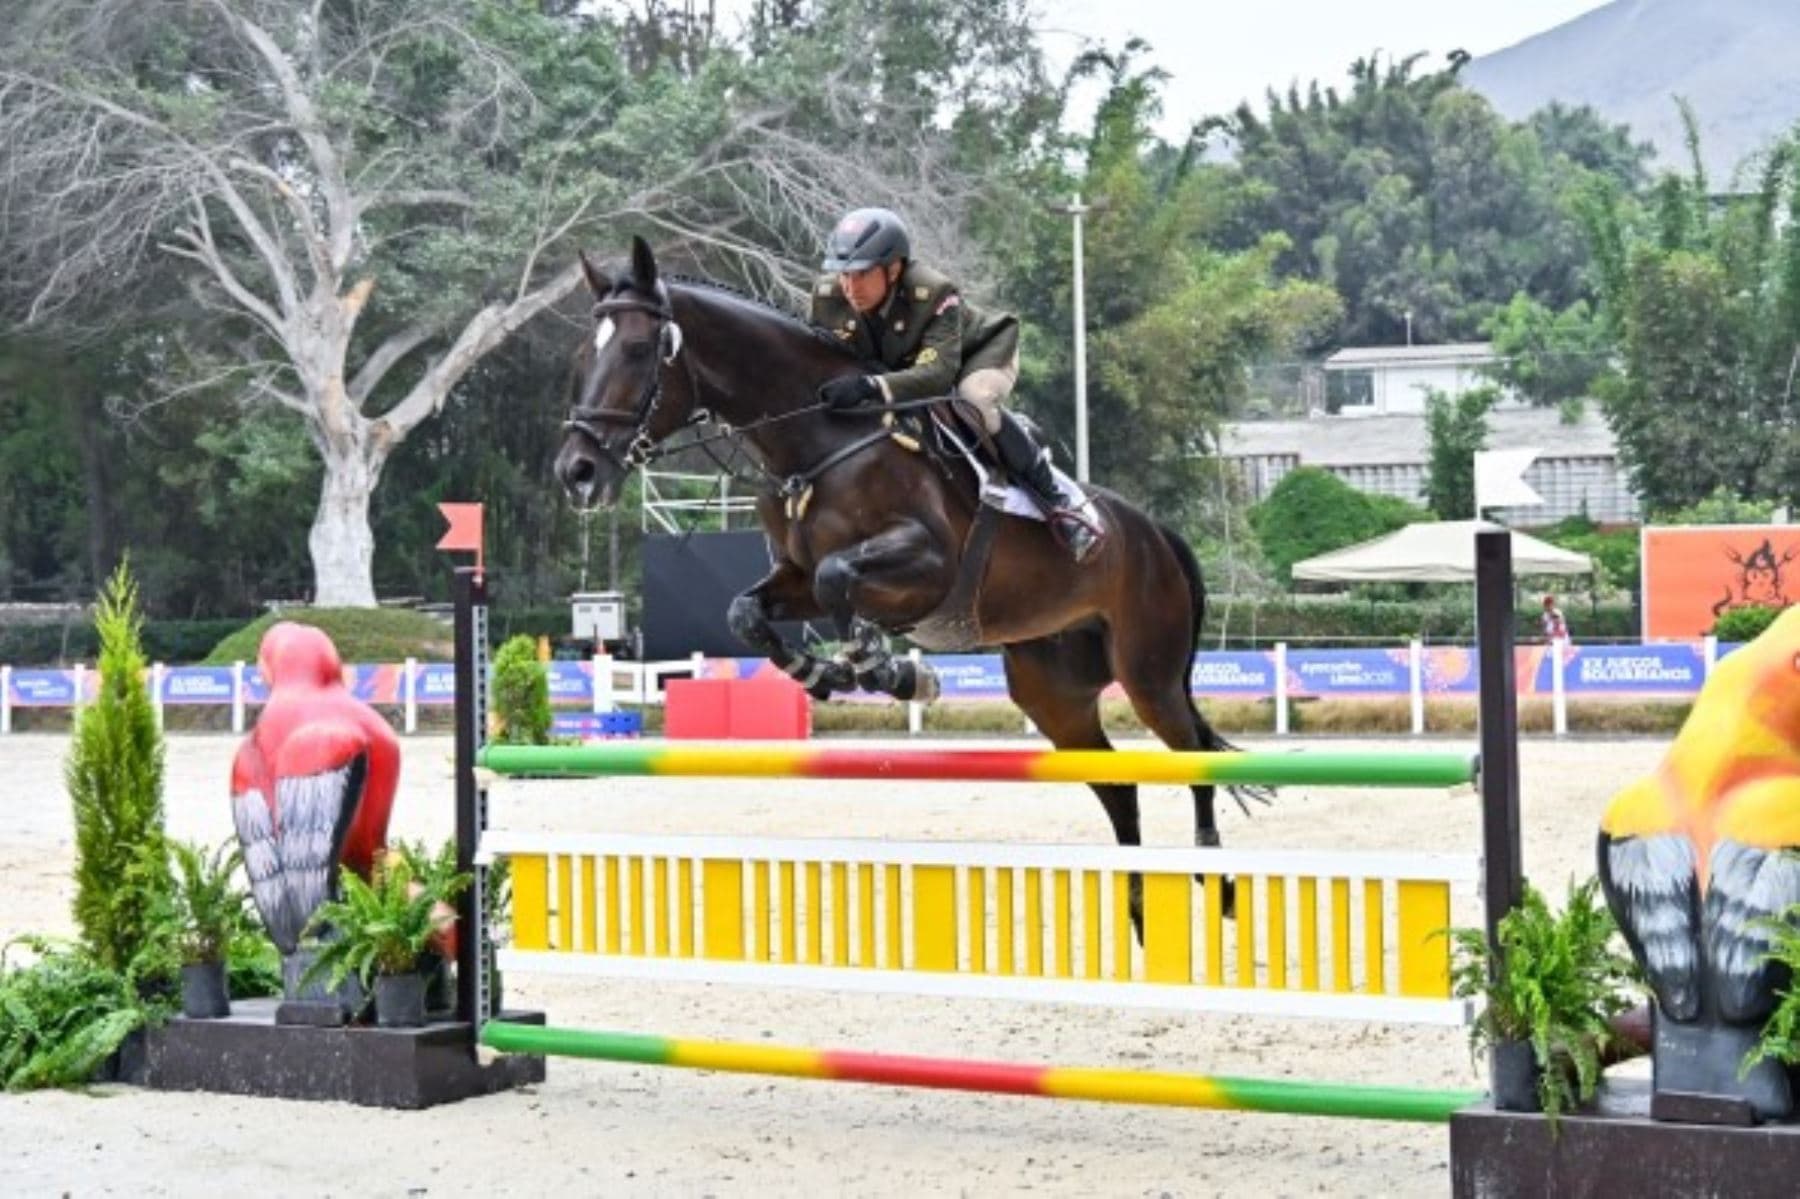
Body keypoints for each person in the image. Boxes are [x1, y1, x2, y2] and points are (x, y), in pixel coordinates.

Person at [808, 206, 1103, 562]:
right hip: (904, 368)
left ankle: (1057, 501)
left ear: (894, 268)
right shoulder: (829, 297)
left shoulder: (932, 291)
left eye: (861, 274)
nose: (849, 286)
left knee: (973, 400)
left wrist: (870, 387)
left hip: (976, 355)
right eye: (843, 275)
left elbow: (936, 376)